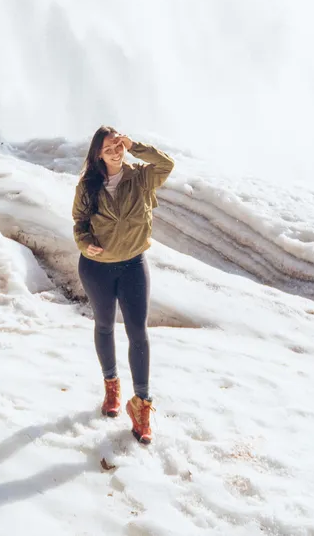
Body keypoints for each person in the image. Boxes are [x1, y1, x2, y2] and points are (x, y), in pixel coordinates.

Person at [72, 126, 175, 444]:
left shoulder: (141, 177)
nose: (115, 151)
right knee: (104, 326)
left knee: (138, 332)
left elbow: (166, 165)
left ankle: (141, 404)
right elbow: (79, 223)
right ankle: (111, 386)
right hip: (97, 269)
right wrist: (85, 243)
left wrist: (136, 145)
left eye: (118, 145)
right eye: (108, 148)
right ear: (98, 154)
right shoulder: (88, 185)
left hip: (133, 265)